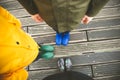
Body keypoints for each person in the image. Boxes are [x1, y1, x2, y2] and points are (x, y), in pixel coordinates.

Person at [18, 0, 109, 46]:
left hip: (77, 8)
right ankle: (58, 31)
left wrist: (92, 12)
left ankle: (66, 32)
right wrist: (32, 10)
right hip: (46, 8)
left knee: (71, 23)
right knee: (53, 22)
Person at [0, 6, 54, 80]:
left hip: (23, 39)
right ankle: (40, 55)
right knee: (33, 57)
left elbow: (2, 12)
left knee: (33, 44)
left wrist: (15, 22)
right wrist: (21, 73)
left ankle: (40, 48)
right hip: (22, 61)